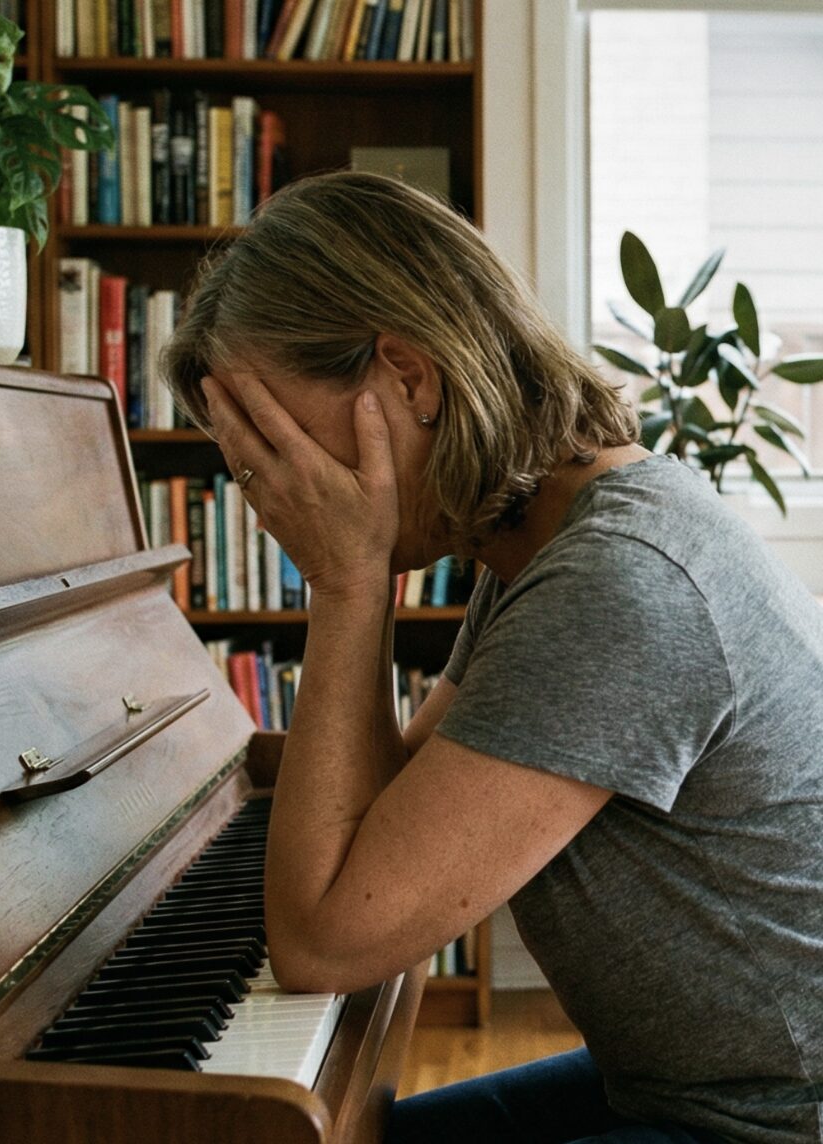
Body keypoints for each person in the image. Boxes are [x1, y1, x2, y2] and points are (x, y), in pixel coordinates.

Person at [161, 170, 823, 1144]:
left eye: (280, 442)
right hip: (683, 1086)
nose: (270, 492)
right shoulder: (545, 540)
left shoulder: (615, 579)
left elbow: (328, 942)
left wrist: (346, 583)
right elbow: (389, 813)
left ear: (408, 377)